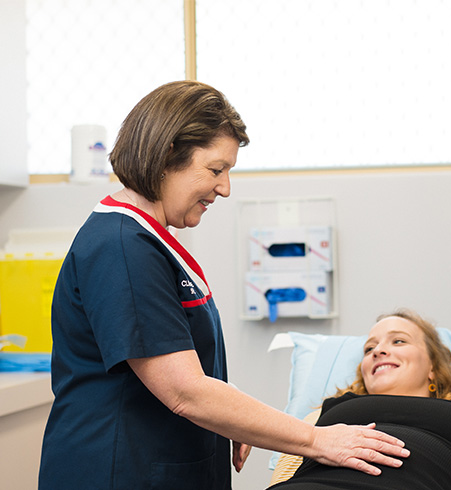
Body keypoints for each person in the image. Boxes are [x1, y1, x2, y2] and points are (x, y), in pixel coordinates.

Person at [38, 80, 409, 490]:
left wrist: (229, 408)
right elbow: (184, 391)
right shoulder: (123, 247)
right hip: (118, 471)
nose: (225, 188)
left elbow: (175, 363)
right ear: (165, 156)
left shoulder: (148, 240)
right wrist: (318, 440)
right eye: (216, 169)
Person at [268, 309, 451, 490]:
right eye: (369, 348)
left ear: (432, 365)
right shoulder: (327, 412)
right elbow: (282, 478)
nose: (379, 351)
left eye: (398, 341)